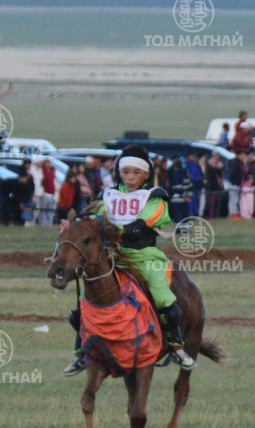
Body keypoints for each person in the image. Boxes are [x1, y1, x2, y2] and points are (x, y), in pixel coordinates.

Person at [62, 145, 196, 376]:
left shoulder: (154, 196)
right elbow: (90, 218)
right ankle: (80, 354)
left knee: (164, 300)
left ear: (146, 174)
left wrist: (122, 229)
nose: (130, 177)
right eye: (125, 172)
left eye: (136, 173)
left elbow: (148, 220)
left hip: (144, 257)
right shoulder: (107, 195)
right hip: (112, 257)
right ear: (119, 173)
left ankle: (176, 347)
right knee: (84, 304)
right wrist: (72, 226)